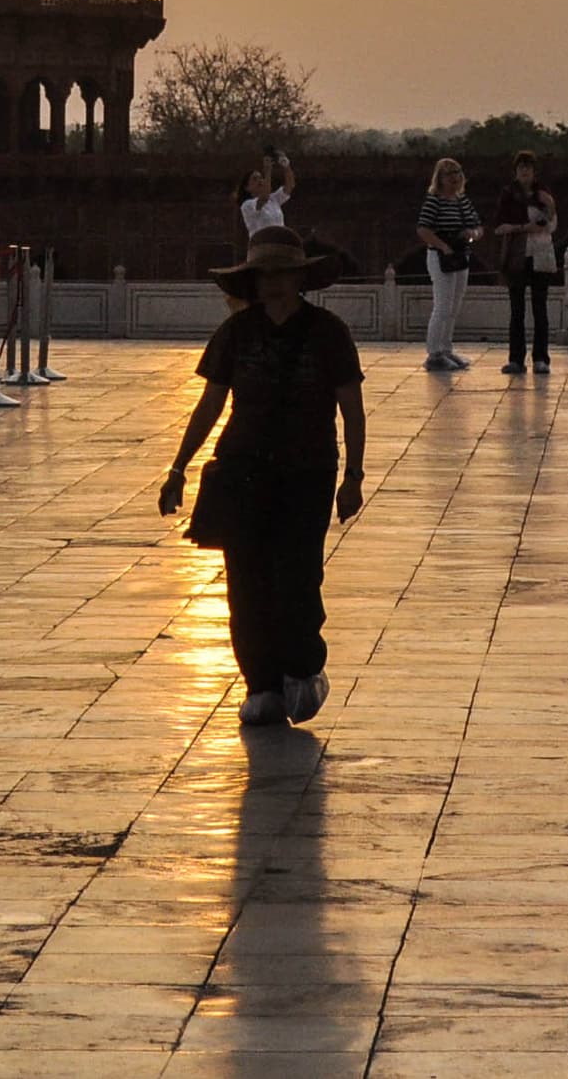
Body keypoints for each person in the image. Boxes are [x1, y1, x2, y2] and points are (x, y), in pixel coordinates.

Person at [159, 223, 366, 728]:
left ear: (300, 277)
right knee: (246, 584)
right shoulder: (236, 333)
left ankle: (302, 666)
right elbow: (210, 404)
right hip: (243, 469)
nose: (273, 283)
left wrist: (354, 475)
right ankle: (261, 685)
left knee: (297, 577)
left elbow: (352, 409)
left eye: (282, 273)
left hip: (308, 470)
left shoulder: (328, 332)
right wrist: (178, 467)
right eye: (264, 274)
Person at [411, 157, 480, 372]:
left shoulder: (462, 201)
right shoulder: (434, 201)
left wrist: (472, 234)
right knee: (442, 306)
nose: (454, 177)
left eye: (457, 172)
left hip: (460, 255)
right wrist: (442, 246)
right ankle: (434, 353)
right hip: (441, 256)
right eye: (449, 174)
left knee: (453, 306)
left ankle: (446, 348)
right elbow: (423, 229)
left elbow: (478, 226)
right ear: (439, 178)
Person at [492, 152, 557, 374]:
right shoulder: (508, 195)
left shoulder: (544, 195)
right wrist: (524, 227)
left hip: (539, 254)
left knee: (540, 309)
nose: (525, 171)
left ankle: (541, 358)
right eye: (521, 167)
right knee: (517, 309)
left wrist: (549, 209)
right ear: (515, 170)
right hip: (517, 255)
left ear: (534, 170)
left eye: (528, 167)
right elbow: (500, 226)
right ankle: (516, 359)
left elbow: (550, 225)